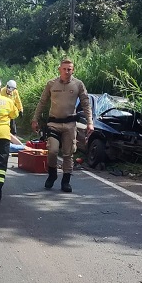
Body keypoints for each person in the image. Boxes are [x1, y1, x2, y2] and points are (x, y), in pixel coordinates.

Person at [31, 58, 93, 192]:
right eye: (64, 69)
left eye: (69, 69)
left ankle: (66, 181)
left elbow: (86, 103)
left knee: (68, 154)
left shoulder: (78, 84)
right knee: (52, 151)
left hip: (70, 124)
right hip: (53, 123)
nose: (67, 71)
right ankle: (52, 174)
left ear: (73, 70)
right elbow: (42, 102)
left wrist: (90, 122)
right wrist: (35, 119)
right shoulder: (51, 84)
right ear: (59, 69)